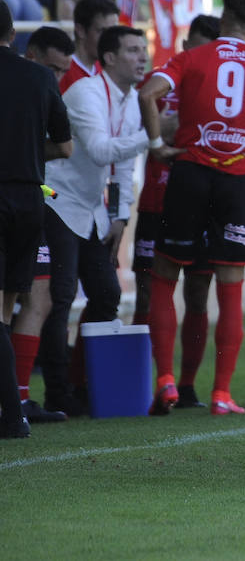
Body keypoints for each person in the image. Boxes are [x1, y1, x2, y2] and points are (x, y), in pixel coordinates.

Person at [139, 0, 245, 417]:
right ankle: (222, 393)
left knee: (165, 276)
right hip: (236, 179)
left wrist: (157, 143)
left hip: (190, 174)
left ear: (224, 14)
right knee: (230, 288)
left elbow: (147, 93)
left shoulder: (193, 58)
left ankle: (166, 380)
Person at [42, 26, 151, 417]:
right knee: (61, 297)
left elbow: (122, 167)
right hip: (57, 200)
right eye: (133, 50)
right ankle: (56, 393)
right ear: (108, 58)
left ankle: (80, 382)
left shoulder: (131, 99)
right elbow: (102, 149)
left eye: (144, 49)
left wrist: (121, 216)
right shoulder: (87, 92)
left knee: (105, 294)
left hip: (90, 209)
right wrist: (152, 137)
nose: (142, 57)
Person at [130, 14, 220, 409]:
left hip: (204, 201)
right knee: (147, 292)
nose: (204, 56)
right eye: (198, 46)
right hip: (157, 200)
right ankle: (145, 383)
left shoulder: (221, 86)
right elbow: (147, 126)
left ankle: (184, 386)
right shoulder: (161, 83)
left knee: (199, 293)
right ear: (186, 45)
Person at [0, 1, 71, 438]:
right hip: (28, 200)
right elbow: (64, 147)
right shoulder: (41, 76)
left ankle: (12, 417)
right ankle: (13, 411)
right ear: (12, 31)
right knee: (6, 310)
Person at [59, 0, 121, 93]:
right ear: (80, 30)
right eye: (103, 31)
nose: (110, 39)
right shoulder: (60, 70)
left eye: (113, 32)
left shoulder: (106, 69)